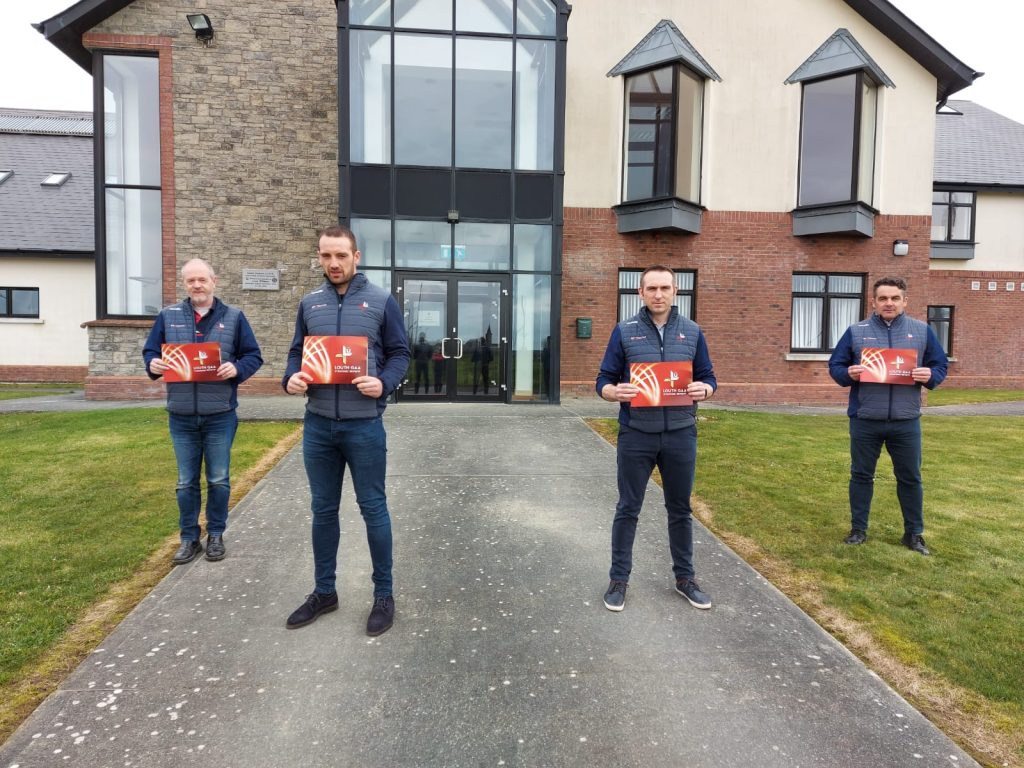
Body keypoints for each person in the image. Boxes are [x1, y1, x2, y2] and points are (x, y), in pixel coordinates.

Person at [283, 224, 411, 635]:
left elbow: (400, 353)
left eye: (341, 255)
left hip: (364, 426)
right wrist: (291, 378)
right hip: (318, 426)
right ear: (319, 257)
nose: (333, 263)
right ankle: (325, 592)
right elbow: (295, 354)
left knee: (373, 509)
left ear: (357, 257)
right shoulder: (309, 304)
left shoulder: (380, 300)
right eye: (326, 255)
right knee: (323, 510)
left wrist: (384, 383)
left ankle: (384, 595)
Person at [596, 265, 717, 612]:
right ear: (641, 293)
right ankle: (618, 580)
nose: (658, 294)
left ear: (675, 291)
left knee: (680, 509)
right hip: (636, 434)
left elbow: (708, 375)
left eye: (665, 288)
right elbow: (603, 378)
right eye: (652, 288)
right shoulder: (624, 331)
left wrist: (705, 389)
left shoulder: (692, 332)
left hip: (680, 434)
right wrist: (612, 392)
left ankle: (685, 579)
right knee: (628, 508)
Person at [142, 259, 263, 565]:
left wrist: (236, 368)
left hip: (219, 413)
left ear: (214, 281)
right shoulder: (168, 316)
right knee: (185, 482)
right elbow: (151, 352)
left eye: (202, 279)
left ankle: (216, 535)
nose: (197, 285)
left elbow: (253, 355)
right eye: (190, 280)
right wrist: (152, 365)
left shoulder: (234, 317)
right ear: (185, 284)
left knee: (219, 479)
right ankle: (188, 538)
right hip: (181, 414)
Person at [828, 276, 948, 555]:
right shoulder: (857, 331)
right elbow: (835, 365)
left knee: (910, 478)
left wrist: (931, 375)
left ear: (905, 301)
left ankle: (913, 534)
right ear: (873, 301)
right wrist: (848, 373)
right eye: (883, 298)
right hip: (865, 418)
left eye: (895, 298)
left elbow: (940, 365)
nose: (889, 303)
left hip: (906, 420)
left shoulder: (922, 331)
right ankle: (858, 529)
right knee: (861, 476)